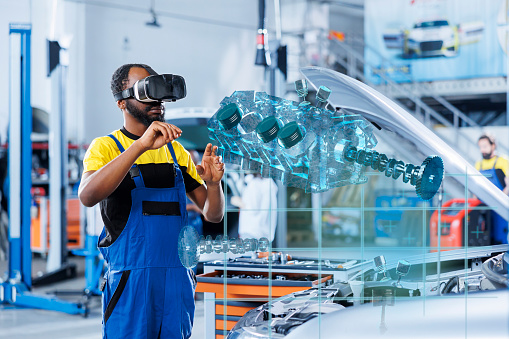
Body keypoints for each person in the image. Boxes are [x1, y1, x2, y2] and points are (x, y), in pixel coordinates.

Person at [78, 64, 225, 338]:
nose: (156, 101)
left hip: (177, 281)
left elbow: (213, 215)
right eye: (145, 93)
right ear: (122, 102)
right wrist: (141, 146)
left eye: (158, 94)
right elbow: (88, 195)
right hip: (130, 282)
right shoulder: (105, 147)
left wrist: (214, 184)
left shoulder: (176, 151)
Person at [475, 133, 509, 244]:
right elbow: (475, 187)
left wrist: (499, 199)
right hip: (484, 209)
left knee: (501, 240)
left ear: (493, 145)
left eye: (485, 146)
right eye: (480, 147)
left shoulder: (503, 161)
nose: (482, 150)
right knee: (484, 240)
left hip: (500, 210)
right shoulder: (478, 165)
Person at [237, 173, 278, 241]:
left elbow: (252, 209)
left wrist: (238, 202)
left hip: (251, 233)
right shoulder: (269, 184)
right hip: (264, 233)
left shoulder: (254, 184)